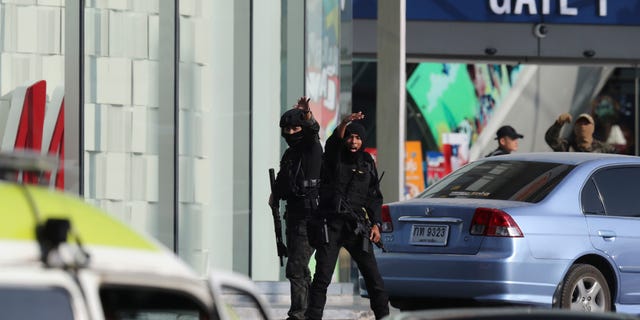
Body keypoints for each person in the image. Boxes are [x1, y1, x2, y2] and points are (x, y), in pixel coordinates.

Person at [306, 112, 389, 320]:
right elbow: (334, 142)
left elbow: (374, 197)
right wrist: (344, 122)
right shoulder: (335, 155)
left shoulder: (367, 162)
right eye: (350, 136)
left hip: (356, 227)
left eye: (358, 138)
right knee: (322, 278)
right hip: (331, 225)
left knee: (374, 280)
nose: (354, 141)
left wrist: (376, 225)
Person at [270, 96, 323, 320]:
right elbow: (284, 182)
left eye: (295, 128)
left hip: (308, 215)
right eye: (286, 129)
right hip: (293, 214)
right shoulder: (290, 154)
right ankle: (308, 313)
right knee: (300, 268)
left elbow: (312, 130)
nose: (290, 133)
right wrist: (275, 195)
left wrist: (307, 115)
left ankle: (298, 315)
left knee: (296, 268)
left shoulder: (311, 147)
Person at [545, 112, 616, 153]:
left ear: (592, 128)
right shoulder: (567, 146)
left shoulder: (603, 149)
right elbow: (551, 139)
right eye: (579, 124)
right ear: (575, 128)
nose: (582, 126)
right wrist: (559, 123)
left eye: (586, 124)